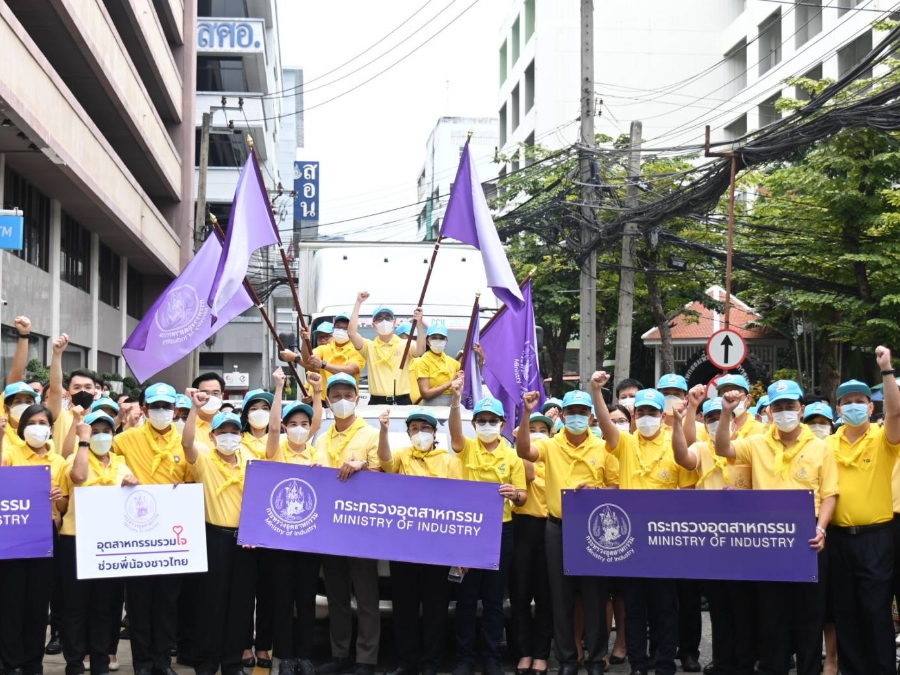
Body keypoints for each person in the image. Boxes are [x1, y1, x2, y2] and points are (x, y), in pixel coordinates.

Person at [714, 380, 838, 675]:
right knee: (772, 616)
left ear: (801, 409)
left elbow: (830, 494)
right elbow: (722, 447)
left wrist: (821, 530)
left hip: (809, 541)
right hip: (767, 542)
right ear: (769, 412)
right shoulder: (756, 444)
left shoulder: (821, 447)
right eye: (778, 407)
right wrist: (725, 413)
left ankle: (808, 669)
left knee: (809, 616)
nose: (784, 412)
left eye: (790, 406)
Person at [591, 373, 697, 675]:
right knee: (634, 608)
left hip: (665, 542)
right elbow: (605, 423)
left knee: (665, 607)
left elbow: (688, 491)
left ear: (662, 415)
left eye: (653, 412)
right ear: (634, 416)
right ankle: (639, 664)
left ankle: (664, 664)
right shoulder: (624, 443)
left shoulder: (675, 442)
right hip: (631, 540)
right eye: (641, 413)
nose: (647, 417)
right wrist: (595, 391)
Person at [517, 391, 618, 675]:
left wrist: (597, 492)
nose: (576, 416)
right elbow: (525, 452)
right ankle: (567, 659)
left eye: (581, 412)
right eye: (571, 411)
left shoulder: (604, 447)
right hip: (557, 527)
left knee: (594, 594)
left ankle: (596, 659)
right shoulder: (550, 445)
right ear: (562, 416)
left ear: (590, 417)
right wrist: (526, 413)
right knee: (559, 596)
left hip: (593, 530)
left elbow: (616, 486)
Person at [825, 348, 899, 675]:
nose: (853, 406)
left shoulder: (883, 439)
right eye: (846, 402)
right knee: (846, 611)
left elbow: (896, 416)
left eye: (860, 401)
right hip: (838, 539)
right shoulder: (825, 446)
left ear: (871, 407)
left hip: (876, 539)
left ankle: (883, 670)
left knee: (876, 610)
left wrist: (886, 370)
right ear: (837, 409)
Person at [449, 373, 526, 675]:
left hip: (500, 532)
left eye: (492, 420)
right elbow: (455, 435)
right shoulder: (468, 447)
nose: (487, 425)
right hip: (469, 532)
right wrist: (456, 400)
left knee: (494, 599)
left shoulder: (513, 456)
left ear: (503, 424)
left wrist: (514, 493)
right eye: (481, 420)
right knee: (467, 598)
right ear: (475, 424)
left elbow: (522, 496)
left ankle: (491, 656)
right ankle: (465, 657)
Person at [672, 397, 755, 675]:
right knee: (718, 605)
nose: (716, 422)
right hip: (711, 539)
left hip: (744, 540)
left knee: (743, 605)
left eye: (723, 416)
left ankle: (745, 662)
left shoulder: (747, 447)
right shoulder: (700, 447)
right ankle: (722, 661)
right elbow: (683, 459)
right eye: (711, 418)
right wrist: (676, 423)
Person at [377, 407, 461, 675]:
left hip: (437, 547)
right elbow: (385, 462)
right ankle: (407, 661)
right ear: (408, 433)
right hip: (403, 545)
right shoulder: (402, 456)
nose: (420, 433)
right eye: (415, 429)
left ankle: (431, 663)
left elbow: (460, 501)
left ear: (435, 433)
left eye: (425, 429)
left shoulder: (450, 461)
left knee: (435, 607)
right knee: (405, 606)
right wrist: (384, 430)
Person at [113, 383, 188, 675]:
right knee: (140, 604)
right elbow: (108, 461)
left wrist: (186, 487)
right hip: (137, 532)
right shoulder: (126, 439)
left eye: (166, 406)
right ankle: (143, 662)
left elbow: (195, 475)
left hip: (172, 534)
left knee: (168, 602)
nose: (161, 411)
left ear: (175, 409)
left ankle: (162, 661)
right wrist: (122, 474)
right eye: (155, 406)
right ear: (143, 409)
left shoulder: (184, 441)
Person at [59, 409, 138, 675]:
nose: (101, 436)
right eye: (95, 431)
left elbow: (130, 494)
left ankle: (101, 661)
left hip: (110, 544)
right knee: (75, 607)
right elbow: (79, 477)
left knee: (106, 607)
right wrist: (83, 441)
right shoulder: (75, 457)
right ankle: (74, 662)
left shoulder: (120, 463)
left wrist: (132, 482)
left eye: (106, 431)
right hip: (77, 541)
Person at [181, 395, 255, 675]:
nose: (229, 437)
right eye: (222, 432)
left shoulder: (250, 459)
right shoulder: (204, 458)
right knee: (210, 603)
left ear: (241, 435)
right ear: (212, 436)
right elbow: (187, 443)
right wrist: (195, 409)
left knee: (240, 604)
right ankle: (206, 662)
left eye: (234, 432)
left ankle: (232, 663)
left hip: (245, 540)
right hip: (213, 537)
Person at [313, 373, 381, 675]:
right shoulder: (322, 437)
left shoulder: (371, 435)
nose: (342, 400)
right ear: (327, 401)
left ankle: (366, 659)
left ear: (358, 398)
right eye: (336, 395)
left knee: (366, 596)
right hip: (329, 528)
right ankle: (340, 654)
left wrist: (364, 466)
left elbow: (385, 476)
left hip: (361, 528)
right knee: (337, 595)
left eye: (347, 395)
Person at [0, 403, 68, 675]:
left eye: (43, 422)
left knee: (38, 604)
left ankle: (32, 663)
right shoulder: (11, 453)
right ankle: (10, 662)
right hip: (14, 532)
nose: (38, 427)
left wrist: (58, 498)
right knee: (10, 601)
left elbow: (63, 508)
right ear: (22, 426)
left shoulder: (59, 461)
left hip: (45, 534)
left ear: (51, 429)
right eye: (32, 422)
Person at [264, 369, 323, 675]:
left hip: (309, 540)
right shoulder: (276, 451)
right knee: (283, 599)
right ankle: (284, 656)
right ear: (285, 427)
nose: (299, 429)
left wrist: (316, 392)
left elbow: (318, 420)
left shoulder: (315, 453)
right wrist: (278, 389)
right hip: (280, 540)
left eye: (304, 424)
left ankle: (304, 656)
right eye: (293, 425)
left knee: (307, 599)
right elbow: (272, 429)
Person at [506, 412, 553, 675]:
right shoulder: (516, 460)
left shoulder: (555, 460)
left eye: (542, 430)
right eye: (531, 429)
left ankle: (542, 654)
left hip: (548, 529)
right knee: (520, 594)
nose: (536, 432)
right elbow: (528, 471)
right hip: (522, 529)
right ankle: (523, 651)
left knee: (545, 596)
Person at [348, 291, 426, 405]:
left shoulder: (405, 344)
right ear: (373, 325)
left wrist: (419, 323)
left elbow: (420, 350)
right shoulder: (368, 346)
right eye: (379, 319)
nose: (384, 321)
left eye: (388, 318)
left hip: (402, 401)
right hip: (376, 401)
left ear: (394, 323)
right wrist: (358, 303)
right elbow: (351, 333)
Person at [287, 315, 366, 406]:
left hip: (346, 401)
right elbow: (309, 360)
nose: (341, 331)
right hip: (321, 401)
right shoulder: (323, 349)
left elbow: (350, 369)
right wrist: (305, 340)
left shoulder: (358, 349)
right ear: (334, 329)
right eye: (338, 327)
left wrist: (323, 364)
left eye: (345, 328)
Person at [190, 372, 227, 441]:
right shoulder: (188, 424)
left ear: (222, 396)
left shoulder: (230, 423)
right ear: (195, 395)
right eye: (205, 393)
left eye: (215, 393)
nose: (210, 397)